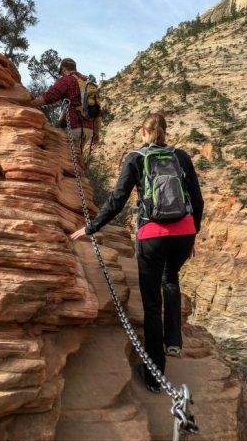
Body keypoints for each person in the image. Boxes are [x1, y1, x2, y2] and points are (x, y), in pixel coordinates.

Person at [70, 112, 204, 393]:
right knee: (171, 278)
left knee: (152, 304)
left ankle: (155, 377)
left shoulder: (136, 157)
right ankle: (174, 342)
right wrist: (192, 236)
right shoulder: (181, 157)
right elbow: (198, 200)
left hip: (152, 235)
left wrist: (91, 228)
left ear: (143, 132)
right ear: (165, 132)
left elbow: (117, 200)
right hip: (184, 232)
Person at [27, 57, 102, 152]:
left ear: (63, 69)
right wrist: (97, 132)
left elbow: (50, 96)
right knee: (76, 160)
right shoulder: (87, 84)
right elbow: (98, 112)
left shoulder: (67, 79)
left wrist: (30, 104)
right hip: (88, 130)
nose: (62, 74)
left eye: (61, 72)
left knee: (65, 160)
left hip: (73, 128)